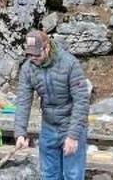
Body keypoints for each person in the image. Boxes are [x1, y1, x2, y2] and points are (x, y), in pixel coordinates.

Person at [13, 29, 90, 180]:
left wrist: (73, 136)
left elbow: (81, 101)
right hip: (49, 126)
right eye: (29, 54)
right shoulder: (28, 68)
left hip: (71, 124)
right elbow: (23, 101)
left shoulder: (69, 64)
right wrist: (20, 133)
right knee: (49, 175)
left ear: (47, 48)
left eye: (37, 54)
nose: (33, 58)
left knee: (72, 175)